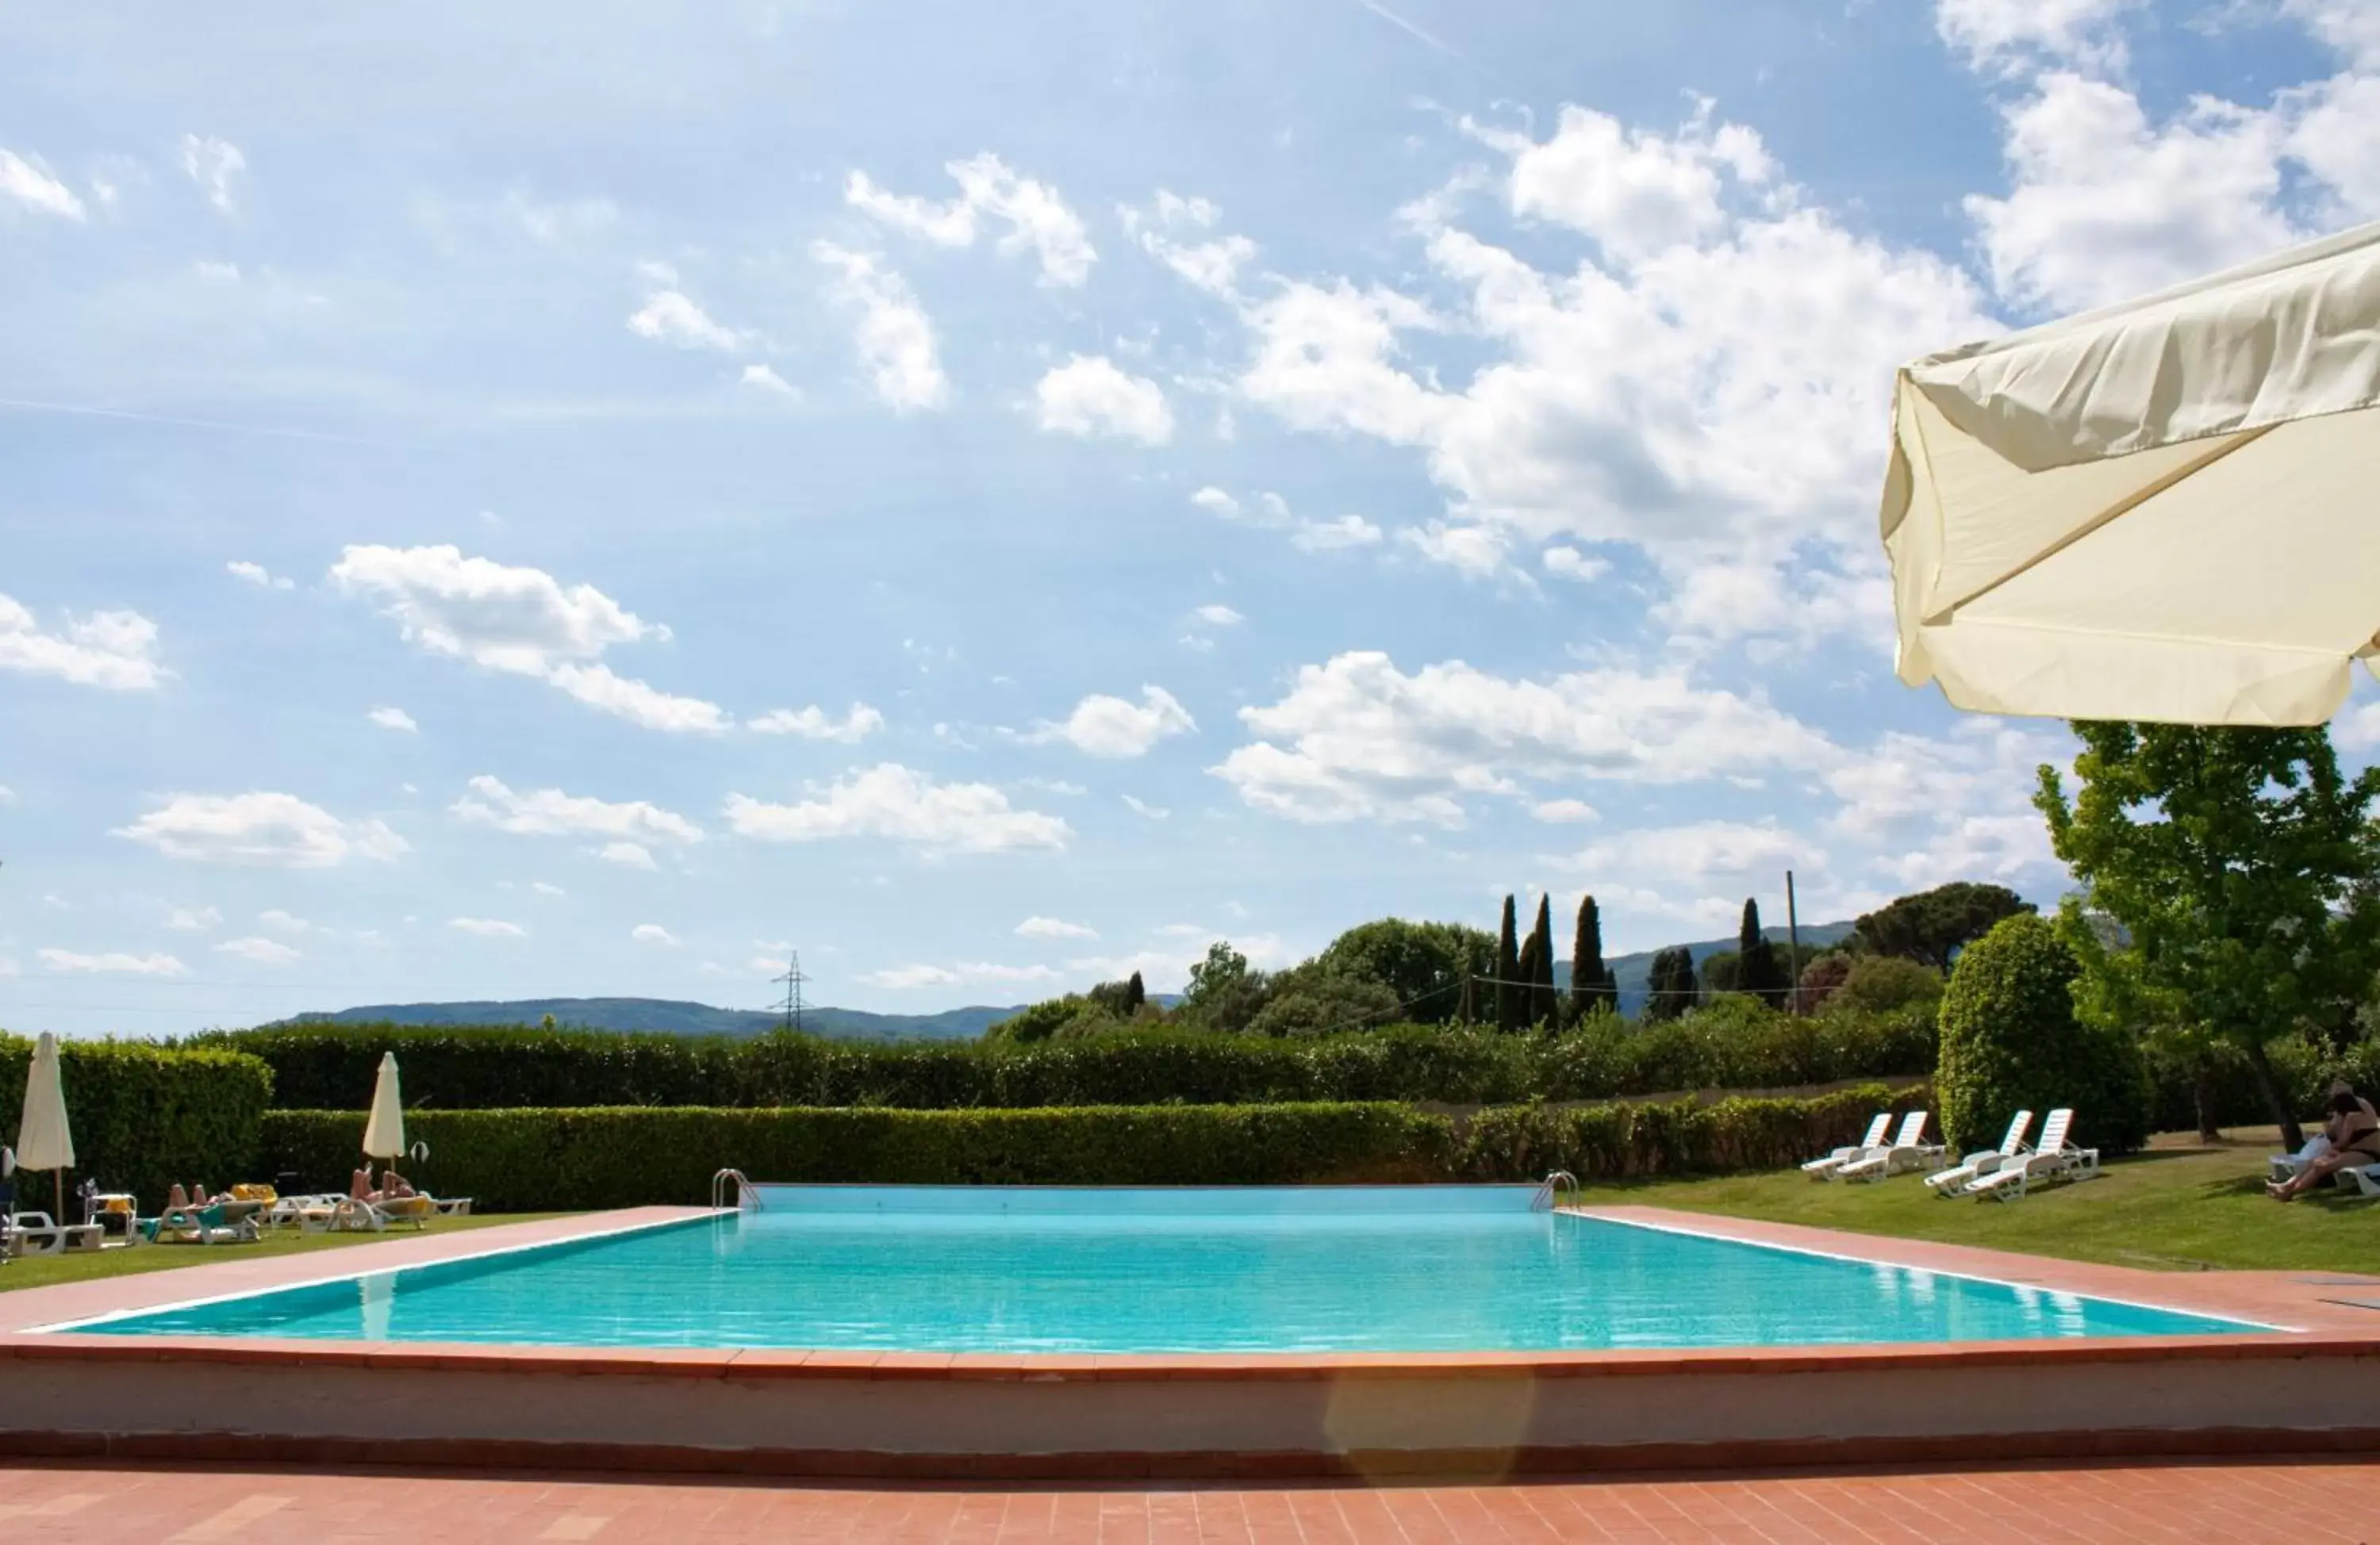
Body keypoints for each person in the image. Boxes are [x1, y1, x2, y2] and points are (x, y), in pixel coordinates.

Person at [2268, 1087, 2380, 1200]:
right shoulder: (2351, 1115)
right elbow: (2335, 1135)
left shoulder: (2352, 1117)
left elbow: (2343, 1141)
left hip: (2367, 1154)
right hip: (2353, 1152)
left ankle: (2290, 1192)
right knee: (2315, 1162)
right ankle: (2285, 1186)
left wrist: (2333, 1149)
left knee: (2321, 1166)